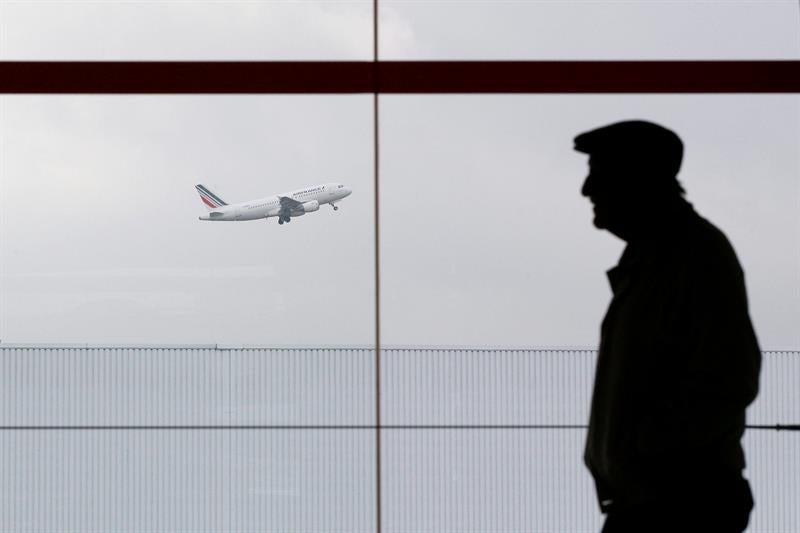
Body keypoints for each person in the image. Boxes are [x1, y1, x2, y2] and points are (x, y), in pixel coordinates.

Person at [575, 120, 761, 532]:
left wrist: (645, 451)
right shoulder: (666, 260)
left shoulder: (689, 258)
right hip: (661, 501)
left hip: (673, 505)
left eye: (598, 173)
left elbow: (729, 380)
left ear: (636, 178)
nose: (587, 190)